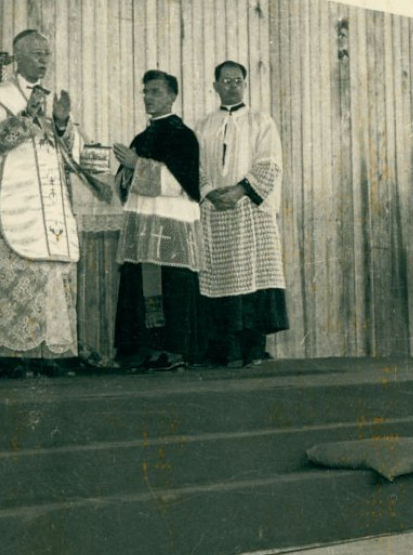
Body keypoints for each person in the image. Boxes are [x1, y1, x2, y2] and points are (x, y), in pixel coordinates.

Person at [0, 29, 81, 376]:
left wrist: (61, 123)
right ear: (17, 57)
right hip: (10, 202)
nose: (44, 59)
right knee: (10, 274)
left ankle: (48, 350)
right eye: (36, 53)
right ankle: (7, 352)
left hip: (48, 206)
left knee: (48, 275)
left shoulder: (52, 98)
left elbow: (75, 153)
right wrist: (25, 118)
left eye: (47, 53)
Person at [196, 61, 288, 367]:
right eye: (226, 80)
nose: (232, 85)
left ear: (244, 85)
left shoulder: (262, 122)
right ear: (216, 86)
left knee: (253, 277)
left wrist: (238, 192)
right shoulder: (204, 125)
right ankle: (228, 351)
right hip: (216, 210)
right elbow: (192, 165)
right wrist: (209, 191)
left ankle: (253, 350)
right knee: (221, 278)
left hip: (250, 209)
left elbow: (270, 163)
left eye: (238, 81)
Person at [112, 70, 202, 371]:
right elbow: (125, 185)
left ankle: (174, 349)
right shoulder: (141, 136)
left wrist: (136, 165)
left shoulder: (183, 136)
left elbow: (179, 183)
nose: (149, 97)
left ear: (172, 96)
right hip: (144, 223)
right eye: (146, 91)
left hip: (170, 223)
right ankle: (145, 348)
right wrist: (125, 173)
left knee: (172, 283)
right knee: (141, 281)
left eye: (156, 91)